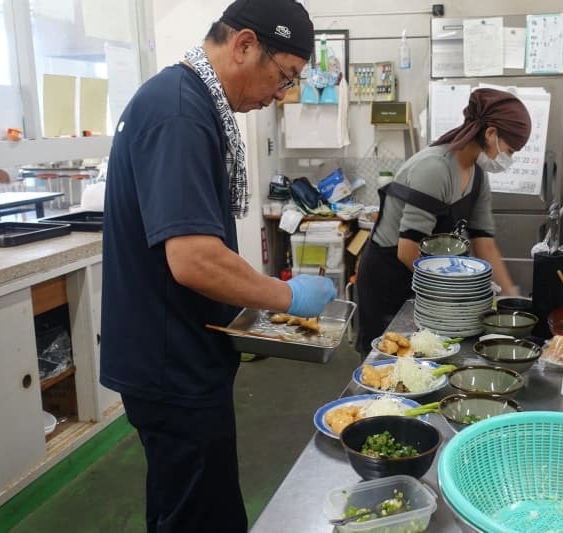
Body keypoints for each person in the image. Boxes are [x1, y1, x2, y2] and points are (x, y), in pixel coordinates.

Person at [99, 2, 335, 531]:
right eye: (284, 77)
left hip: (176, 350)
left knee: (184, 504)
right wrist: (287, 297)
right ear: (245, 44)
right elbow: (193, 259)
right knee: (202, 515)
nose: (280, 94)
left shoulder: (191, 101)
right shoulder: (179, 111)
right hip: (170, 360)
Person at [355, 88, 532, 356]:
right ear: (491, 133)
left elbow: (484, 245)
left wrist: (509, 299)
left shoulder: (477, 175)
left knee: (426, 357)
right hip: (389, 277)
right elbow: (408, 251)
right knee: (386, 362)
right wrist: (460, 293)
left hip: (429, 281)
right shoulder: (435, 170)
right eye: (510, 150)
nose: (509, 158)